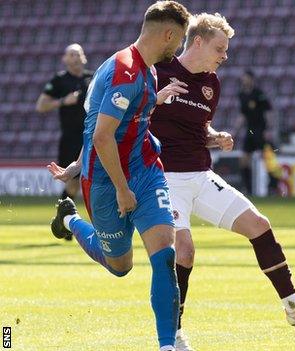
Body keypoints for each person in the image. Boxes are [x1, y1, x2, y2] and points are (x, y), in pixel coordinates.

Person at [148, 13, 295, 349]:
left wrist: (214, 136)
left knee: (259, 224)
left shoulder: (211, 84)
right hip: (164, 178)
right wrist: (156, 98)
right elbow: (130, 116)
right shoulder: (158, 72)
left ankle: (294, 306)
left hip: (201, 175)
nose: (225, 56)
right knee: (185, 252)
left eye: (226, 50)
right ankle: (174, 334)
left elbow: (197, 131)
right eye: (219, 48)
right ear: (197, 42)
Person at [47, 2, 191, 350]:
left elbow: (112, 120)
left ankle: (167, 345)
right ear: (168, 34)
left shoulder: (147, 70)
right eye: (181, 39)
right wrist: (121, 189)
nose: (180, 48)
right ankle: (70, 221)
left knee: (164, 255)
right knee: (120, 266)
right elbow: (100, 134)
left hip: (145, 169)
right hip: (107, 183)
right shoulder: (124, 72)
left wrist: (157, 99)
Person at [36, 44, 94, 237]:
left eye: (78, 54)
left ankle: (68, 222)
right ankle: (64, 219)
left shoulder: (92, 78)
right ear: (65, 59)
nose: (76, 58)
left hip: (93, 134)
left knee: (92, 180)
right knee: (72, 183)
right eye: (71, 54)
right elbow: (41, 105)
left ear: (84, 57)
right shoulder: (59, 80)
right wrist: (63, 101)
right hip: (71, 137)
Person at [237, 69, 272, 195]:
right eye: (243, 78)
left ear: (251, 79)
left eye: (246, 78)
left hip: (260, 129)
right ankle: (248, 188)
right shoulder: (241, 95)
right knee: (244, 160)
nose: (244, 80)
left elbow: (268, 112)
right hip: (250, 130)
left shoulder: (258, 94)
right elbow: (243, 115)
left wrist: (268, 129)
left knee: (266, 158)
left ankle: (273, 185)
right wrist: (235, 130)